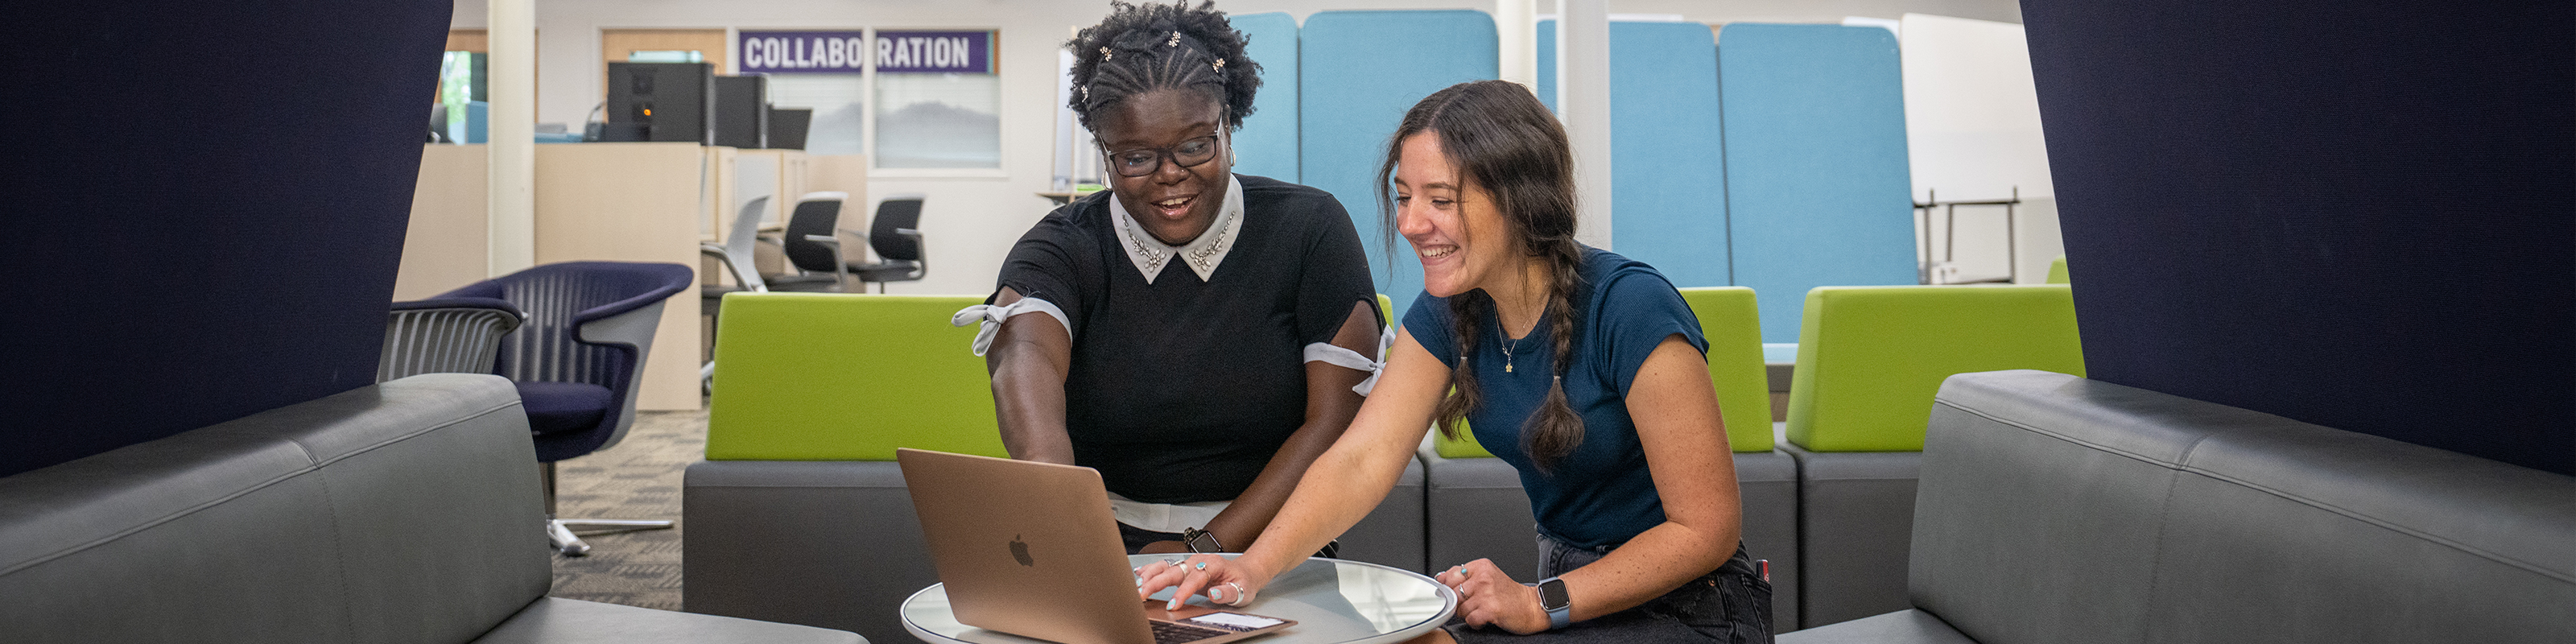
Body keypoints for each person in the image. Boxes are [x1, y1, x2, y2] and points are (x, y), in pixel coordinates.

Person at [1137, 80, 1773, 643]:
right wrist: (1250, 566)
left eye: (1440, 200)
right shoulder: (1451, 309)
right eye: (1403, 197)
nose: (1411, 223)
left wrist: (1539, 602)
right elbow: (1362, 460)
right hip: (1570, 594)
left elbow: (1706, 530)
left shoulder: (1632, 307)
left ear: (1522, 200)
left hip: (1698, 612)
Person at [951, 0, 1385, 557]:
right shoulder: (1062, 246)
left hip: (1277, 542)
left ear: (1228, 129)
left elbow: (1335, 424)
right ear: (1104, 154)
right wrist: (1067, 523)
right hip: (1105, 540)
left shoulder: (1309, 229)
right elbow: (1024, 356)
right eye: (1136, 157)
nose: (1171, 174)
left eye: (1195, 146)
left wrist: (1204, 551)